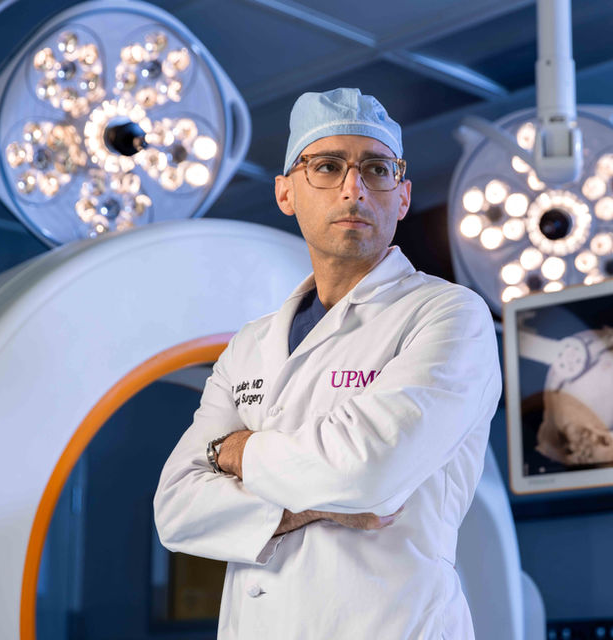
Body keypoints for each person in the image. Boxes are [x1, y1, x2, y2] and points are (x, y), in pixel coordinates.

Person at [153, 88, 502, 639]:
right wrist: (312, 509)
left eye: (376, 168)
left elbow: (367, 471)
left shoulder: (449, 315)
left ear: (403, 195)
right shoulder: (251, 343)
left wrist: (235, 452)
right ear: (286, 192)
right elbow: (176, 508)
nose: (353, 188)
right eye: (327, 166)